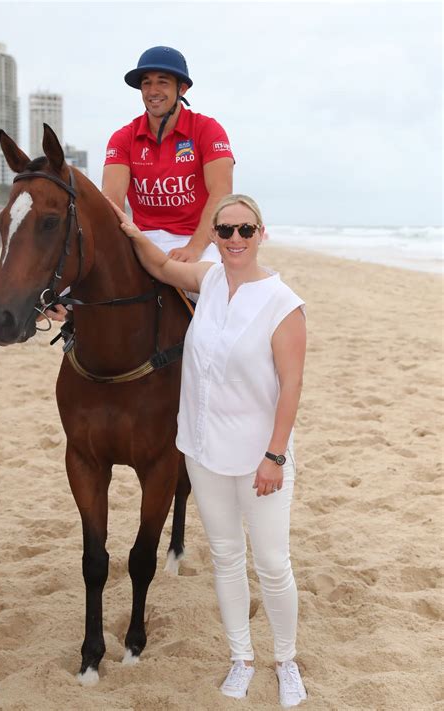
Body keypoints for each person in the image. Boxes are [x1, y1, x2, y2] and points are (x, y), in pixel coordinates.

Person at [109, 193, 307, 708]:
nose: (235, 240)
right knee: (225, 558)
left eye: (245, 230)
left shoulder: (282, 302)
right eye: (225, 231)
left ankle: (285, 660)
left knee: (271, 563)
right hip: (201, 449)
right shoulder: (210, 279)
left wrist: (276, 455)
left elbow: (291, 387)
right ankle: (241, 658)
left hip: (260, 456)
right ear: (215, 237)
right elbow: (158, 263)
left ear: (262, 233)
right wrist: (130, 231)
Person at [102, 45, 234, 263]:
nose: (153, 91)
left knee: (213, 282)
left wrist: (194, 248)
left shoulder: (208, 129)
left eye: (162, 82)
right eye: (147, 83)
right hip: (141, 238)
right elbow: (111, 201)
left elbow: (221, 193)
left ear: (182, 89)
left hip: (197, 238)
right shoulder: (123, 137)